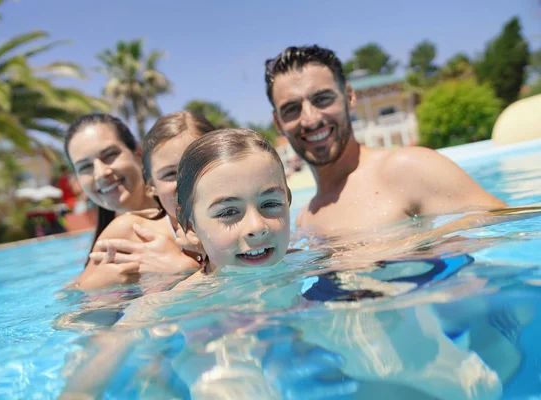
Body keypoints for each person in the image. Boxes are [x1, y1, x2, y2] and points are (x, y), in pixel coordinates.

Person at [59, 129, 503, 400]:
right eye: (228, 212)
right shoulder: (176, 301)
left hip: (301, 321)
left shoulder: (310, 260)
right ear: (190, 227)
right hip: (218, 340)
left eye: (270, 204)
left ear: (290, 205)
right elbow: (92, 372)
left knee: (438, 362)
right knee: (221, 379)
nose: (256, 227)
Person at [264, 45, 507, 234]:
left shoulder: (408, 167)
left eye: (323, 99)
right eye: (292, 109)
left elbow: (507, 222)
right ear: (278, 123)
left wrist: (407, 247)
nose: (310, 119)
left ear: (349, 97)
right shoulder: (304, 217)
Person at [64, 113, 201, 289]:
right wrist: (95, 286)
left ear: (138, 153)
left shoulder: (191, 210)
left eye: (110, 155)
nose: (100, 172)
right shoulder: (114, 240)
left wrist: (187, 269)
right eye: (85, 167)